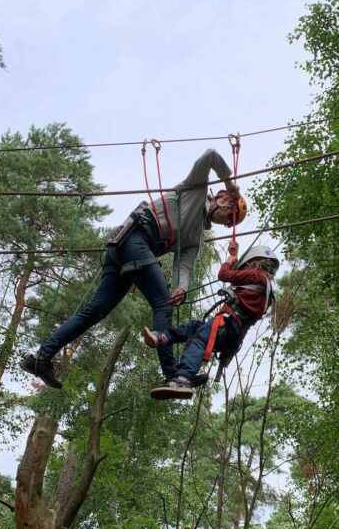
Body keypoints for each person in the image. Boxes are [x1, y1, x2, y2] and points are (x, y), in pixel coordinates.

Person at [20, 148, 246, 389]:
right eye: (228, 216)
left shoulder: (196, 235)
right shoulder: (195, 189)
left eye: (230, 223)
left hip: (127, 250)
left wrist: (181, 287)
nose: (225, 223)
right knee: (162, 304)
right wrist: (230, 183)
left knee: (96, 311)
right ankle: (172, 373)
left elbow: (185, 264)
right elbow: (210, 156)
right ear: (223, 199)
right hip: (135, 237)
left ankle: (41, 357)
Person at [143, 242, 279, 400]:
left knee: (199, 339)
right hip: (233, 335)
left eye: (244, 268)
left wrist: (229, 261)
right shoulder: (266, 291)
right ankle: (163, 337)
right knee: (195, 326)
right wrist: (235, 255)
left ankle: (183, 378)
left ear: (254, 264)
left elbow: (224, 275)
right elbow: (235, 281)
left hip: (227, 323)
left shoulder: (255, 275)